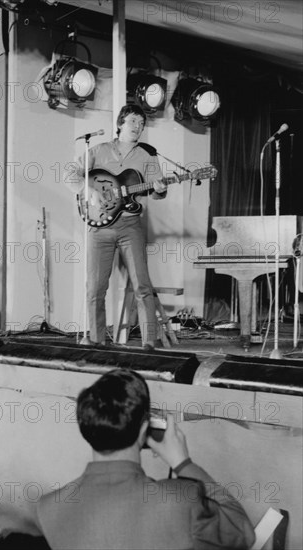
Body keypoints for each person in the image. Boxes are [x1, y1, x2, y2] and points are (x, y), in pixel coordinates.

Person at [34, 369, 255, 550]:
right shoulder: (181, 500)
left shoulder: (49, 508)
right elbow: (243, 533)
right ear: (143, 430)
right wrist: (183, 463)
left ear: (86, 428)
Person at [66, 104, 167, 349]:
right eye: (133, 121)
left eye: (142, 124)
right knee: (95, 288)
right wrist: (87, 190)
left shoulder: (147, 156)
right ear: (120, 123)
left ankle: (149, 342)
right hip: (98, 228)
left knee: (142, 285)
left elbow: (156, 193)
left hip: (130, 226)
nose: (138, 127)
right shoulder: (98, 150)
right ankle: (97, 341)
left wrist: (160, 189)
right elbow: (71, 174)